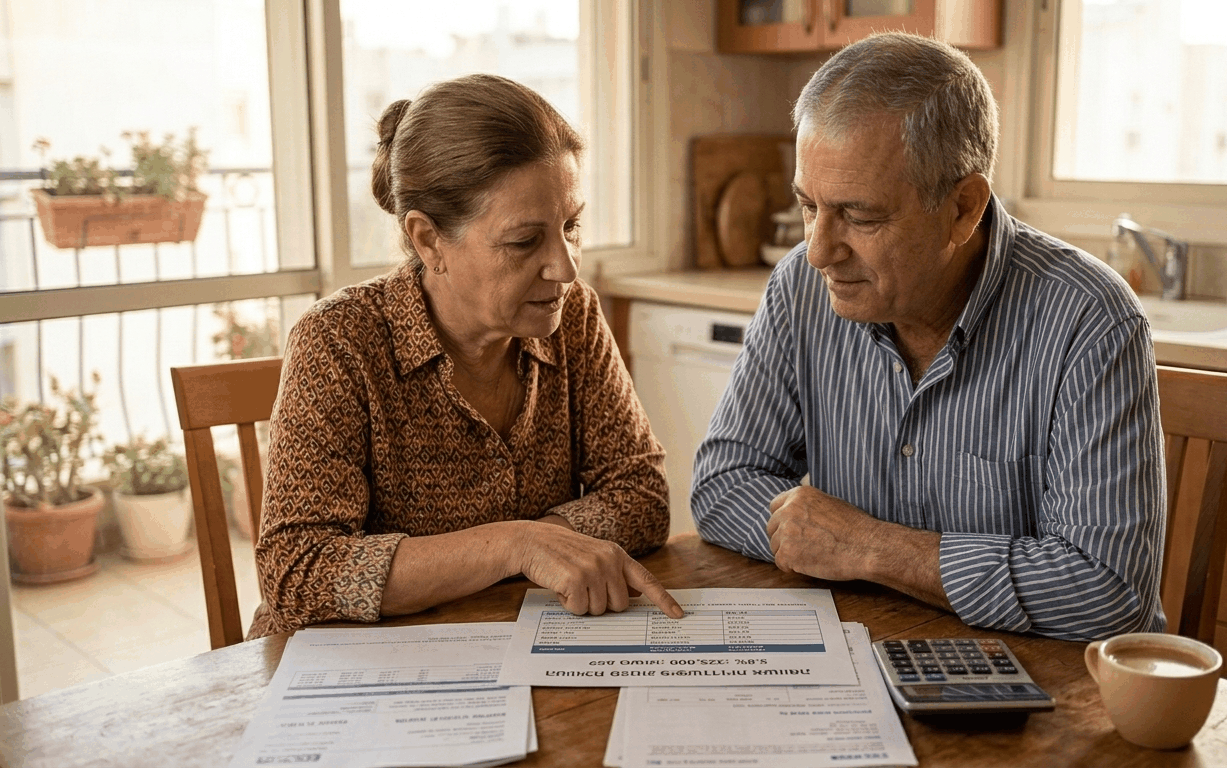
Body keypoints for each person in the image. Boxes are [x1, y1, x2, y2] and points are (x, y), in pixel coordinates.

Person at [692, 32, 1166, 642]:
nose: (817, 252)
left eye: (860, 217)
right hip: (869, 655)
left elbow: (1107, 592)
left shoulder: (1089, 320)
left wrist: (873, 550)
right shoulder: (800, 290)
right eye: (810, 206)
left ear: (963, 209)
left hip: (1049, 692)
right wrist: (826, 541)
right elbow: (723, 484)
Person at [248, 74, 682, 639]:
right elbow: (297, 572)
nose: (566, 267)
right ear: (429, 241)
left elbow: (643, 496)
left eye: (571, 227)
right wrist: (518, 544)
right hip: (355, 677)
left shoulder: (572, 318)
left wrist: (544, 546)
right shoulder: (339, 341)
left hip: (510, 643)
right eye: (526, 241)